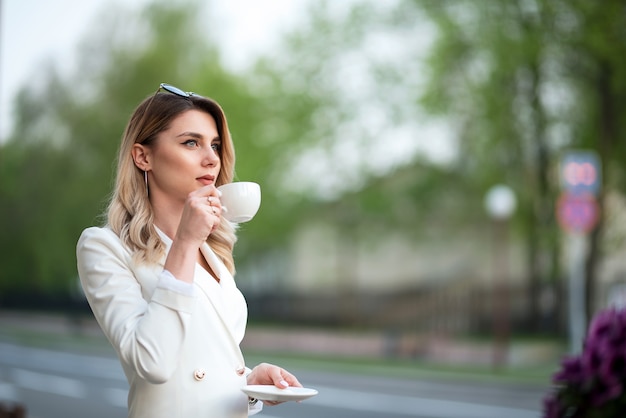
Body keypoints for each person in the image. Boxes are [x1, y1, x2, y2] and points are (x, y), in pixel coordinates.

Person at [76, 83, 302, 418]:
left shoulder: (213, 247)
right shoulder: (103, 247)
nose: (211, 158)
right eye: (191, 143)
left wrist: (249, 381)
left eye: (214, 144)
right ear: (143, 156)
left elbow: (201, 363)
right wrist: (184, 242)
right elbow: (151, 362)